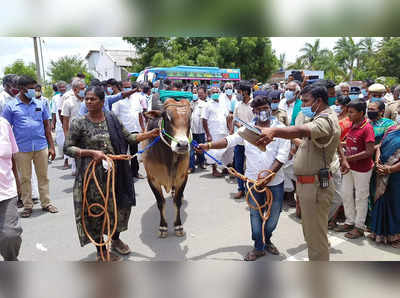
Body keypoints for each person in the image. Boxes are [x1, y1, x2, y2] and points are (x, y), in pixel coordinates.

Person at [63, 86, 159, 262]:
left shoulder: (111, 118)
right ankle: (101, 250)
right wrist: (90, 153)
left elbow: (129, 138)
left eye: (93, 99)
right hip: (92, 178)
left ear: (102, 101)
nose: (89, 102)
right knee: (97, 212)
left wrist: (149, 134)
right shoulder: (78, 122)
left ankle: (114, 239)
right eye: (87, 99)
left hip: (116, 173)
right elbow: (67, 148)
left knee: (119, 207)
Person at [198, 96, 290, 260]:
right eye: (259, 109)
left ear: (271, 108)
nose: (263, 111)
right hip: (253, 181)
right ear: (253, 111)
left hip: (275, 182)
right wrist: (209, 145)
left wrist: (267, 177)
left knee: (273, 215)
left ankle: (267, 238)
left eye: (265, 108)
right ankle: (258, 246)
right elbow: (229, 141)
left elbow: (282, 157)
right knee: (255, 215)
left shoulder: (280, 129)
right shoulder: (247, 130)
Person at [255, 84, 341, 261]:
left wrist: (275, 131)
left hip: (315, 186)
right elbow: (304, 140)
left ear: (318, 101)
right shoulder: (319, 116)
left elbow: (302, 130)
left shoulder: (325, 120)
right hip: (308, 185)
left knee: (315, 238)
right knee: (313, 234)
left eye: (306, 101)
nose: (303, 105)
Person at [2, 75, 58, 218]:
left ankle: (46, 202)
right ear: (21, 89)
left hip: (40, 146)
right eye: (31, 89)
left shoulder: (40, 104)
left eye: (35, 88)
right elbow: (5, 128)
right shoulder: (10, 106)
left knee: (43, 176)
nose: (34, 91)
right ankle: (27, 205)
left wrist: (52, 147)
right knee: (25, 178)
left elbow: (47, 126)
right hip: (21, 148)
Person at [334, 100, 375, 239]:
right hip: (349, 167)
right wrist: (340, 143)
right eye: (348, 111)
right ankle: (349, 221)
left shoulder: (367, 128)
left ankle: (359, 226)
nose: (348, 115)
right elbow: (351, 141)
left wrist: (347, 159)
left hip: (362, 169)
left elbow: (369, 152)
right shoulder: (353, 124)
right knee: (345, 194)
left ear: (361, 113)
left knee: (361, 197)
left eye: (351, 112)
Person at [368, 123, 400, 248]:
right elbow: (380, 147)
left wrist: (390, 169)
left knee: (395, 204)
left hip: (396, 175)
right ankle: (379, 231)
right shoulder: (392, 129)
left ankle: (395, 235)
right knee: (381, 200)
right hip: (382, 171)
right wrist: (377, 161)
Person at [111, 80, 145, 179]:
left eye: (129, 86)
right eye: (126, 87)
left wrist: (142, 128)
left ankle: (135, 172)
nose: (128, 89)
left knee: (134, 153)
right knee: (123, 153)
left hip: (135, 130)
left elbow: (139, 115)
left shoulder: (136, 98)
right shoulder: (117, 100)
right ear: (121, 88)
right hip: (123, 132)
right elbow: (114, 116)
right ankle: (123, 175)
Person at [0, 117, 22, 260]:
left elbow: (12, 157)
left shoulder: (4, 124)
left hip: (6, 191)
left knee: (10, 235)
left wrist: (18, 182)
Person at [202, 87, 231, 177]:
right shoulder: (207, 105)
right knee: (213, 151)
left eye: (217, 92)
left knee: (226, 150)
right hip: (213, 132)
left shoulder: (223, 104)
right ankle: (214, 169)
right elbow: (204, 120)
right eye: (213, 92)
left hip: (224, 130)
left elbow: (227, 118)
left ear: (219, 93)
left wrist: (230, 129)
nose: (215, 93)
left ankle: (225, 168)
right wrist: (208, 134)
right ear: (210, 93)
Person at [231, 82, 254, 198]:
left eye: (238, 91)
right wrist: (237, 124)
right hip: (239, 140)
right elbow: (234, 120)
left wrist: (247, 127)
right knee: (238, 166)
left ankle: (251, 189)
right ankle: (241, 188)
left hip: (251, 141)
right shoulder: (238, 105)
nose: (237, 94)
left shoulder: (254, 104)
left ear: (245, 92)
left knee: (251, 166)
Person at [62, 78, 86, 176]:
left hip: (87, 132)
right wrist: (67, 136)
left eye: (84, 88)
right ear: (75, 90)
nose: (84, 90)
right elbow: (65, 121)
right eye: (82, 89)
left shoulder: (88, 99)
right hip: (74, 134)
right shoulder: (68, 102)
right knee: (77, 156)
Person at [189, 86, 207, 174]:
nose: (195, 94)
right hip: (191, 131)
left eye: (197, 93)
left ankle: (202, 162)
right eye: (194, 93)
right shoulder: (189, 103)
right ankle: (191, 166)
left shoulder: (203, 104)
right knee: (191, 149)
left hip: (201, 130)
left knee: (200, 147)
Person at [52, 81, 69, 169]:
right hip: (59, 124)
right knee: (60, 143)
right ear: (58, 89)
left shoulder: (70, 96)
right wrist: (53, 123)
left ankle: (66, 161)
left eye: (63, 87)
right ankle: (65, 156)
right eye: (60, 87)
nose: (62, 88)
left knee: (67, 142)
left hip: (68, 123)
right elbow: (54, 112)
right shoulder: (55, 98)